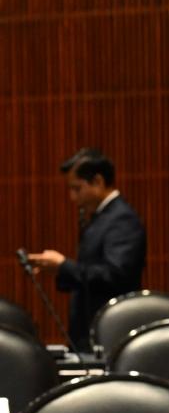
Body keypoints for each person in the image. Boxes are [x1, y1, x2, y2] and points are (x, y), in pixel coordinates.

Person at [28, 148, 146, 351]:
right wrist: (59, 269)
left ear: (98, 181)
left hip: (108, 333)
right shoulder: (103, 217)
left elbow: (115, 275)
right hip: (90, 329)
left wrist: (64, 266)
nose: (73, 197)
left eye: (77, 188)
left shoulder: (121, 219)